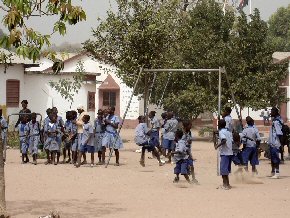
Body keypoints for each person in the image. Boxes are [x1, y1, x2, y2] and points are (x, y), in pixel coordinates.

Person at [215, 119, 233, 190]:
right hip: (230, 152)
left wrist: (217, 145)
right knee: (226, 170)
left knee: (223, 170)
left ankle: (225, 185)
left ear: (219, 125)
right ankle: (227, 184)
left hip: (225, 153)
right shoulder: (228, 132)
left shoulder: (221, 132)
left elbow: (224, 140)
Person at [268, 107, 283, 179]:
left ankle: (277, 173)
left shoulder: (276, 122)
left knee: (275, 159)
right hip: (272, 143)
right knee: (272, 158)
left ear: (275, 112)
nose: (271, 113)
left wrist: (280, 144)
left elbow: (279, 133)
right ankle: (273, 171)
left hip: (275, 143)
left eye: (272, 111)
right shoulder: (275, 120)